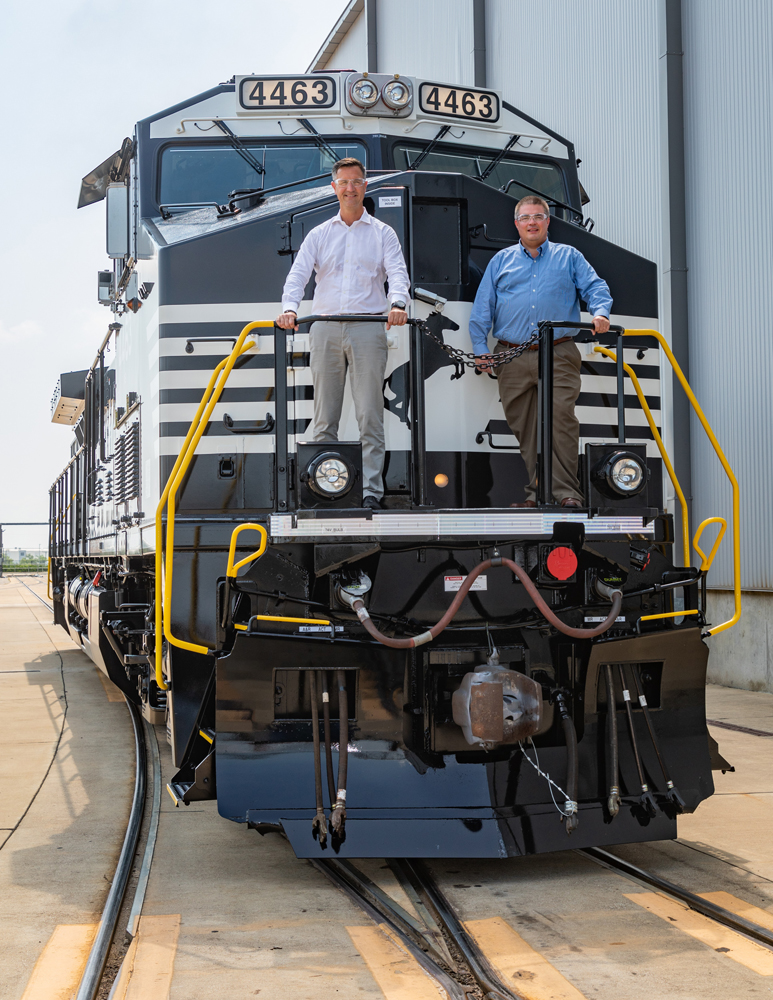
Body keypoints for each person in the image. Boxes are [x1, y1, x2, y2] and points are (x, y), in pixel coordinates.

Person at [276, 157, 410, 510]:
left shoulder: (383, 234)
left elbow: (397, 273)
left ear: (365, 186)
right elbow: (297, 276)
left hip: (368, 327)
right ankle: (325, 492)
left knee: (370, 414)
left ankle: (370, 493)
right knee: (325, 416)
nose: (350, 188)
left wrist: (398, 303)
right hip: (325, 328)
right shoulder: (319, 234)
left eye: (357, 181)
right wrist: (290, 308)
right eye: (344, 182)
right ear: (334, 188)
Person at [469, 195, 612, 508]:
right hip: (511, 356)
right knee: (526, 428)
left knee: (561, 420)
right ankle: (538, 494)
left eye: (538, 217)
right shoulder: (501, 261)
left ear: (548, 222)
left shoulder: (569, 257)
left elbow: (595, 287)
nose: (531, 223)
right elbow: (483, 308)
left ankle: (566, 493)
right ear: (516, 223)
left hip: (558, 353)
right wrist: (480, 349)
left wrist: (600, 312)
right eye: (525, 218)